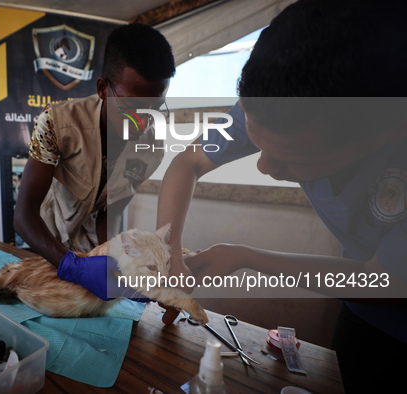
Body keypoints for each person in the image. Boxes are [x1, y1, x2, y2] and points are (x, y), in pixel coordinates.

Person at [155, 0, 407, 392]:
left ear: (387, 134)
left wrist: (248, 257)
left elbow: (388, 281)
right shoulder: (275, 102)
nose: (264, 167)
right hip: (362, 310)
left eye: (291, 159)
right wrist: (169, 251)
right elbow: (187, 163)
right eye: (258, 143)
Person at [14, 23, 175, 300]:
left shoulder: (152, 150)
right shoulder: (56, 123)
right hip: (42, 243)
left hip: (89, 250)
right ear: (103, 88)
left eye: (155, 108)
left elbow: (108, 212)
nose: (143, 122)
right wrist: (69, 265)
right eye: (133, 108)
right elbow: (23, 214)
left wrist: (116, 259)